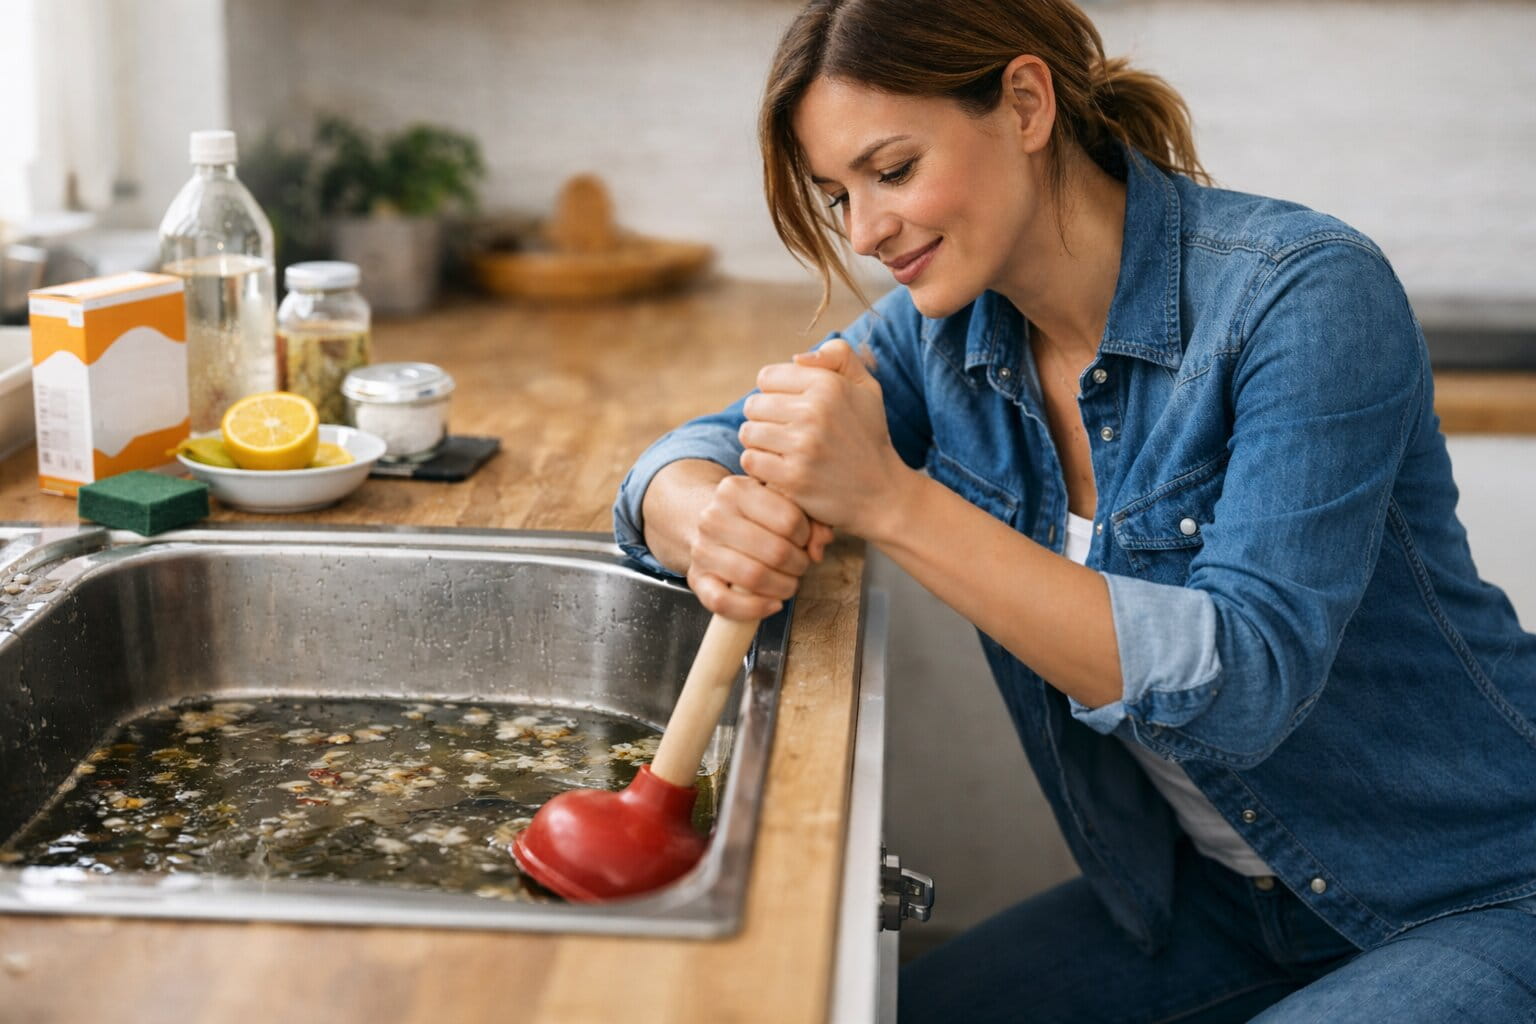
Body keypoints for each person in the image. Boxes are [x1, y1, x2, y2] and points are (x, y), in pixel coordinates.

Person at [612, 1, 1536, 1020]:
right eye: (838, 196)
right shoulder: (944, 336)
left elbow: (1246, 682)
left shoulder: (1303, 295)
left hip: (1480, 886)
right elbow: (699, 447)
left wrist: (894, 501)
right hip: (1216, 901)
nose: (868, 231)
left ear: (1023, 102)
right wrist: (692, 508)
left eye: (893, 169)